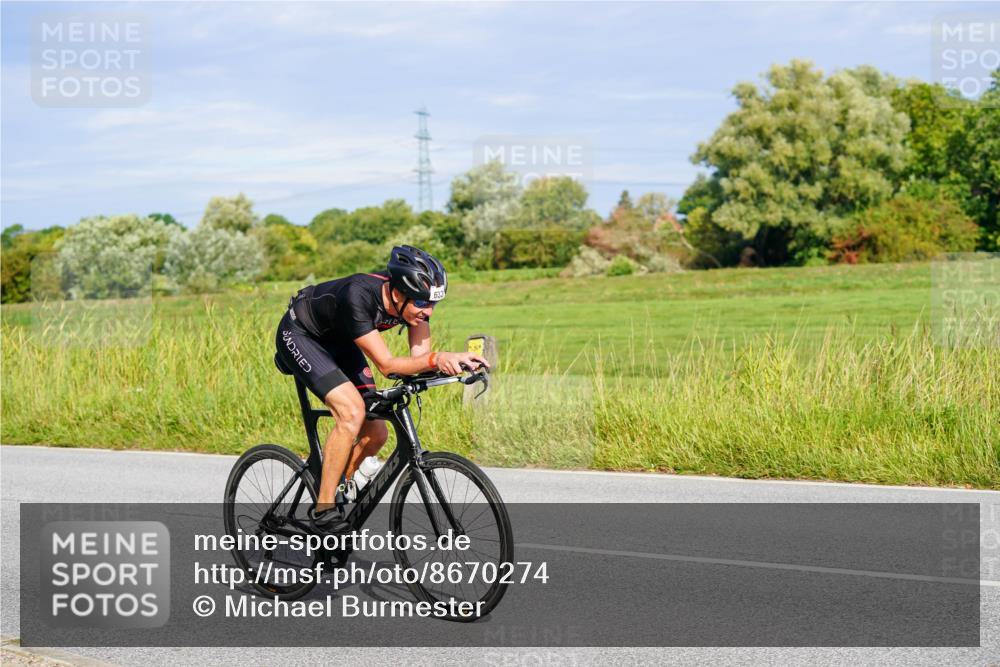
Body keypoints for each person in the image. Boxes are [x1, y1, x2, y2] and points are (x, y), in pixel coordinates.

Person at [274, 245, 489, 532]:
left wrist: (456, 365)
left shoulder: (415, 308)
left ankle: (338, 488)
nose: (428, 311)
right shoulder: (357, 295)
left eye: (433, 304)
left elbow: (420, 360)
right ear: (398, 294)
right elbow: (388, 366)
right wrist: (437, 358)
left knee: (376, 433)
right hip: (302, 335)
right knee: (351, 413)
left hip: (343, 341)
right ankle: (323, 509)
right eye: (422, 302)